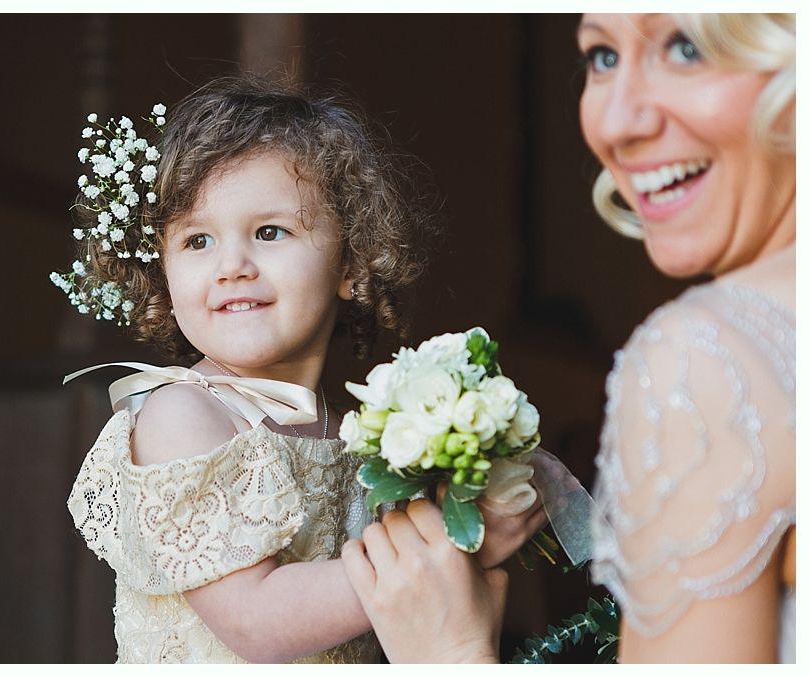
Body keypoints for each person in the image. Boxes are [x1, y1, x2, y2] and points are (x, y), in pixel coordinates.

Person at [342, 13, 795, 663]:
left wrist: (449, 653)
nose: (615, 123)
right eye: (602, 56)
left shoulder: (709, 362)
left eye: (686, 47)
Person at [61, 76, 545, 663]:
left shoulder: (360, 439)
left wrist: (478, 507)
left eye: (270, 232)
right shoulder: (184, 413)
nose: (232, 265)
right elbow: (255, 620)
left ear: (351, 264)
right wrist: (442, 548)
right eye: (197, 241)